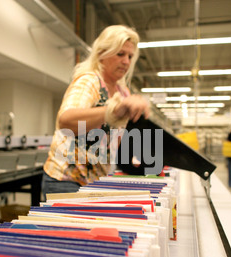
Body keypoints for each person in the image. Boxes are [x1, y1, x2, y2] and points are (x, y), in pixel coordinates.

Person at [42, 25, 150, 197]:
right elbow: (66, 121)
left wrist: (136, 159)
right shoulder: (90, 82)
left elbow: (116, 140)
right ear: (102, 53)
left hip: (95, 180)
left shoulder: (123, 92)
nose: (126, 61)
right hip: (67, 180)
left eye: (130, 56)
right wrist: (111, 112)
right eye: (120, 54)